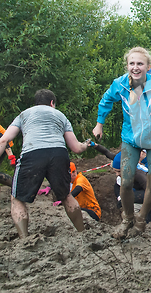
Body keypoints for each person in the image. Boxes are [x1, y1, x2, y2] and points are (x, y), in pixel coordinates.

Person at [93, 46, 151, 239]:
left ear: (148, 66)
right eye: (132, 63)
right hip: (131, 138)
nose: (135, 67)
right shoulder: (119, 84)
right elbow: (106, 101)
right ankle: (128, 220)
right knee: (126, 181)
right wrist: (99, 124)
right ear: (127, 65)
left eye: (140, 64)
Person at [0, 89, 89, 238]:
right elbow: (76, 148)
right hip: (58, 153)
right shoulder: (60, 115)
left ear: (35, 103)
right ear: (52, 103)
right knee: (66, 195)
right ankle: (82, 233)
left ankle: (24, 239)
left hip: (33, 153)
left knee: (17, 198)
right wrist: (86, 144)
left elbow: (4, 139)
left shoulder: (24, 114)